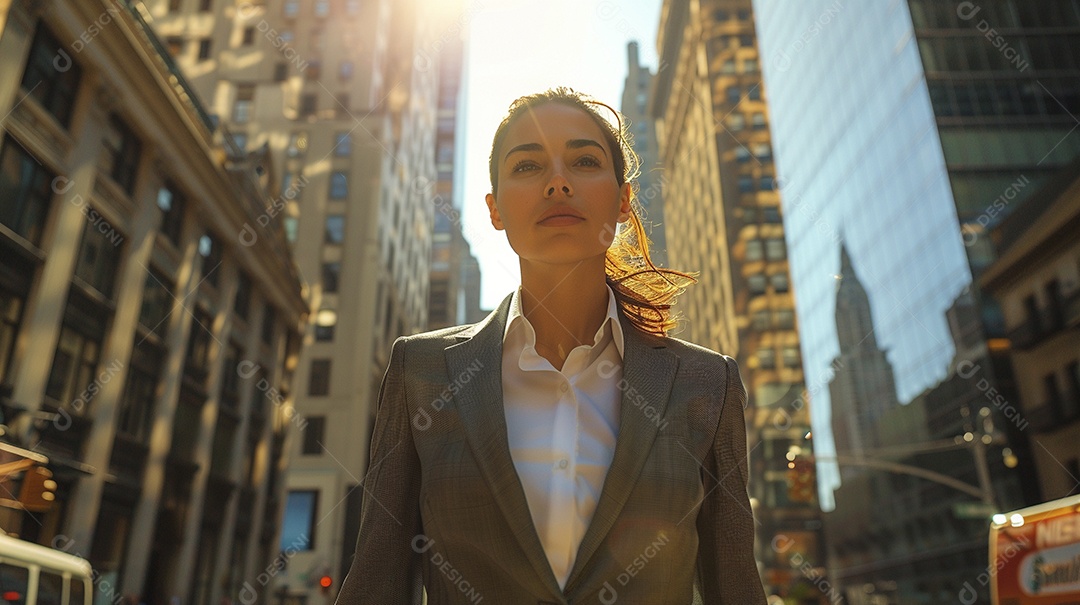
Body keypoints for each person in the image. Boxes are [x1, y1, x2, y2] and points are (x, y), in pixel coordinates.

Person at [336, 87, 767, 604]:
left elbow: (736, 589)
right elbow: (375, 582)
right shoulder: (421, 372)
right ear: (495, 209)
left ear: (623, 201)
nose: (558, 183)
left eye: (584, 161)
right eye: (527, 166)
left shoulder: (707, 383)